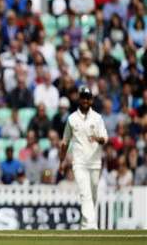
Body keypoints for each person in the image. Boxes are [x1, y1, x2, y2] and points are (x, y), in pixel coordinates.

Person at [59, 86, 108, 230]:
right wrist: (61, 162)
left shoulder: (98, 118)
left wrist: (98, 139)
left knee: (92, 194)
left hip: (94, 161)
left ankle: (84, 224)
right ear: (79, 99)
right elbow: (65, 142)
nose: (85, 100)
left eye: (88, 98)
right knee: (85, 192)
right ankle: (91, 226)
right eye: (83, 98)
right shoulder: (72, 119)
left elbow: (105, 138)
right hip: (79, 162)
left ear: (91, 100)